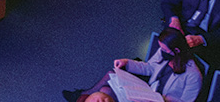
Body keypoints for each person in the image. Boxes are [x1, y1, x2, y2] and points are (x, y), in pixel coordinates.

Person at [66, 28, 202, 102]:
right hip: (148, 90)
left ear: (176, 50)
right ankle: (82, 95)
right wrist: (126, 62)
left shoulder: (193, 76)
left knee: (105, 93)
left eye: (164, 49)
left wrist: (163, 99)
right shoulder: (165, 52)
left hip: (158, 99)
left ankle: (81, 97)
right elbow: (149, 68)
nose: (161, 52)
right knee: (107, 85)